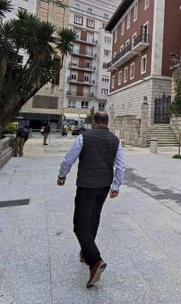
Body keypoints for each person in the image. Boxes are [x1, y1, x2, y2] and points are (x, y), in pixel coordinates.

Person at [57, 111, 126, 288]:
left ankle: (95, 260)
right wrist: (116, 187)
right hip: (104, 185)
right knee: (94, 217)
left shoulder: (84, 138)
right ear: (107, 122)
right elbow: (121, 165)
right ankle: (85, 253)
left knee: (80, 224)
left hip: (87, 185)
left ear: (94, 122)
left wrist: (62, 175)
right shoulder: (116, 140)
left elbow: (69, 159)